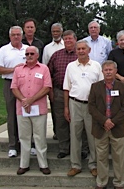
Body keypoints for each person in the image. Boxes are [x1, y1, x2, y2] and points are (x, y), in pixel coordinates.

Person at [64, 40, 103, 177]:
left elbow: (101, 88)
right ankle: (75, 165)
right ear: (76, 51)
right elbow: (66, 88)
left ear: (89, 50)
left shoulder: (97, 66)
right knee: (75, 135)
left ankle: (93, 165)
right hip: (74, 103)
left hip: (92, 106)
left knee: (93, 136)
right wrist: (66, 108)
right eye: (78, 49)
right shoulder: (70, 67)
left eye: (83, 49)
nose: (81, 51)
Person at [11, 46, 52, 175]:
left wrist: (31, 100)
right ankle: (24, 164)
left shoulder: (44, 69)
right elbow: (14, 88)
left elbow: (47, 87)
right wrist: (24, 100)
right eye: (27, 53)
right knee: (24, 137)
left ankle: (43, 164)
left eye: (32, 53)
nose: (29, 55)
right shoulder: (18, 70)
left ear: (37, 55)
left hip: (39, 109)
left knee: (40, 137)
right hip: (22, 109)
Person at [89, 60, 124, 189]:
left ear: (116, 71)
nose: (108, 72)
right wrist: (104, 121)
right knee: (101, 157)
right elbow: (91, 107)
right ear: (102, 72)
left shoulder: (123, 87)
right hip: (100, 127)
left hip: (117, 127)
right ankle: (102, 182)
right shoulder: (95, 87)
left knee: (118, 157)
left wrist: (112, 122)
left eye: (110, 69)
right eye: (106, 70)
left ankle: (119, 182)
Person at [0, 26, 28, 158]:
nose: (16, 37)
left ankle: (28, 144)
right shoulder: (4, 50)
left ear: (22, 35)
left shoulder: (27, 50)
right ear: (10, 36)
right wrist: (13, 69)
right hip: (10, 83)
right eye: (13, 35)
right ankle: (13, 145)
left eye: (18, 34)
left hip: (26, 84)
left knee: (27, 113)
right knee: (12, 115)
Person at [47, 30, 77, 158]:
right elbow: (48, 75)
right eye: (66, 39)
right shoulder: (56, 55)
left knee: (78, 122)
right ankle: (64, 148)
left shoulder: (81, 54)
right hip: (59, 92)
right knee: (61, 121)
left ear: (75, 40)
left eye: (70, 38)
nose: (68, 41)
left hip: (76, 94)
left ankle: (82, 148)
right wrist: (51, 92)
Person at [42, 22, 65, 141]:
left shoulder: (66, 44)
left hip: (69, 85)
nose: (55, 33)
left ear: (61, 32)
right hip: (55, 85)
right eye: (53, 31)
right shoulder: (47, 48)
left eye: (57, 31)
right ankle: (57, 132)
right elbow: (45, 68)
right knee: (56, 110)